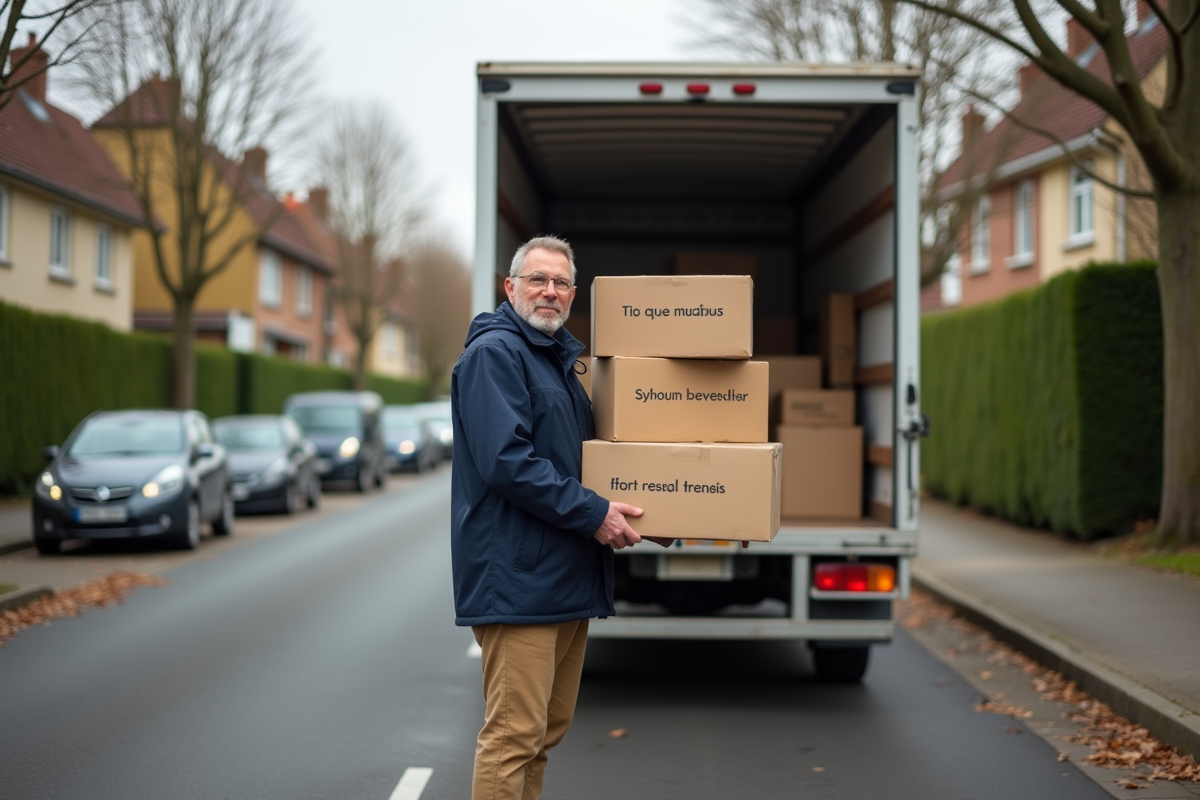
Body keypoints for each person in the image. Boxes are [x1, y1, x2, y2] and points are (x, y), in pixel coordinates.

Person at [450, 235, 646, 800]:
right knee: (513, 737)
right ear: (510, 287)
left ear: (573, 295)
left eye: (561, 282)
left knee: (542, 734)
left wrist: (678, 511)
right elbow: (506, 462)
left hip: (563, 574)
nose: (550, 291)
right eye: (537, 279)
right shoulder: (496, 355)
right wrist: (594, 514)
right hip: (520, 579)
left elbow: (585, 465)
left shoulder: (555, 361)